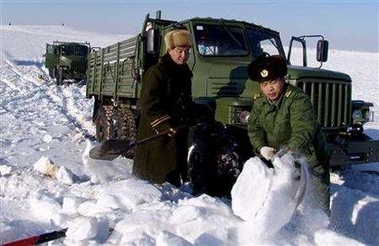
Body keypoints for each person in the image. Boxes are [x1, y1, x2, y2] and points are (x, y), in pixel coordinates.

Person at [246, 53, 331, 215]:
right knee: (284, 203)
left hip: (310, 159)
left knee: (317, 208)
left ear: (282, 79)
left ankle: (322, 234)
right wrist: (261, 147)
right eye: (264, 84)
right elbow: (254, 128)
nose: (269, 88)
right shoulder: (260, 102)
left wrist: (290, 151)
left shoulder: (298, 100)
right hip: (282, 160)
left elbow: (303, 130)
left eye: (273, 82)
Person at [133, 28, 195, 187]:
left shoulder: (184, 71)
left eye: (187, 51)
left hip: (176, 132)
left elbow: (184, 100)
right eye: (180, 51)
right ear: (170, 50)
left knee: (174, 173)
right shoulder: (156, 72)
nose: (184, 55)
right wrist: (164, 125)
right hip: (157, 134)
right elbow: (149, 103)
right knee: (155, 176)